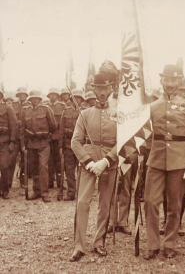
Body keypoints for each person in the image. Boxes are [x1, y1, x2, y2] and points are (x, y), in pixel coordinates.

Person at [144, 64, 185, 260]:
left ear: (178, 82)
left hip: (179, 161)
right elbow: (144, 134)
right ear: (161, 81)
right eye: (166, 80)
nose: (169, 84)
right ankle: (153, 245)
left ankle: (169, 244)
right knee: (150, 201)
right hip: (156, 159)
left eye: (173, 80)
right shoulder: (152, 107)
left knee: (174, 205)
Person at [69, 60, 118, 262]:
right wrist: (89, 162)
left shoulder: (119, 114)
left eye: (105, 88)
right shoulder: (85, 114)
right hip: (88, 163)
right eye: (98, 88)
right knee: (82, 202)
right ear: (94, 90)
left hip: (109, 163)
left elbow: (123, 142)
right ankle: (79, 246)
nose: (101, 92)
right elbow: (75, 142)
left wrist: (106, 161)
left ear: (111, 88)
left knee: (105, 204)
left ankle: (99, 242)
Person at [20, 90, 57, 203]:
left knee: (43, 167)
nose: (34, 100)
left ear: (40, 99)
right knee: (34, 168)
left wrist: (44, 134)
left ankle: (44, 193)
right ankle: (36, 191)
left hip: (44, 143)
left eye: (37, 98)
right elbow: (22, 129)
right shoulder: (25, 111)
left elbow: (53, 126)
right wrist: (22, 145)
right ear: (30, 100)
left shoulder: (46, 109)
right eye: (32, 99)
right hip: (31, 144)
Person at [59, 88, 84, 201]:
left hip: (81, 146)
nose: (76, 100)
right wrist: (60, 146)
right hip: (68, 145)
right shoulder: (66, 111)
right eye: (74, 98)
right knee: (69, 170)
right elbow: (61, 129)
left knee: (82, 170)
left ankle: (82, 193)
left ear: (81, 100)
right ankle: (71, 193)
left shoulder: (85, 111)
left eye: (78, 98)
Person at [10, 87, 31, 188]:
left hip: (26, 137)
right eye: (20, 94)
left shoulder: (30, 106)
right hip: (14, 137)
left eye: (23, 94)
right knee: (11, 159)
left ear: (26, 96)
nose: (21, 96)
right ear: (17, 96)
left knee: (25, 160)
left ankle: (23, 181)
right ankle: (8, 181)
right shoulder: (13, 105)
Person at [46, 88, 66, 188]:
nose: (53, 96)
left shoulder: (63, 106)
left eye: (55, 95)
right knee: (49, 160)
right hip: (48, 137)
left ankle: (60, 182)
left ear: (58, 96)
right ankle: (50, 182)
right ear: (48, 96)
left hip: (58, 137)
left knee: (58, 160)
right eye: (51, 95)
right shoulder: (45, 107)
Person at [0, 85, 17, 199]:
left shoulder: (8, 108)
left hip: (4, 142)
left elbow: (13, 126)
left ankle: (5, 190)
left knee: (4, 166)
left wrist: (12, 142)